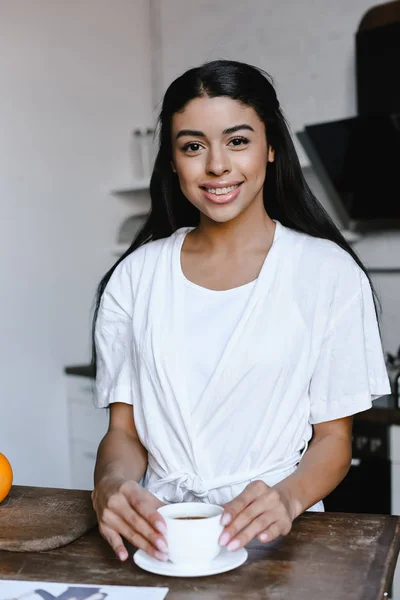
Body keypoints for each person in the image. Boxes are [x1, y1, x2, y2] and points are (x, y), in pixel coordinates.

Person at [90, 60, 391, 563]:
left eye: (237, 140)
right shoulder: (136, 278)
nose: (216, 166)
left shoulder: (327, 274)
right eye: (192, 146)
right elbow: (124, 432)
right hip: (167, 538)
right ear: (172, 160)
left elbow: (334, 440)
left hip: (279, 536)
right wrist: (112, 485)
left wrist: (289, 498)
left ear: (270, 147)